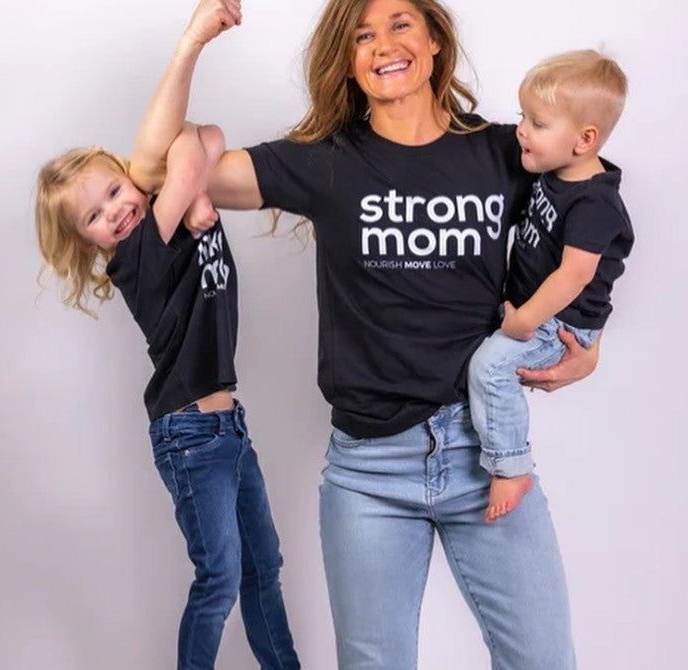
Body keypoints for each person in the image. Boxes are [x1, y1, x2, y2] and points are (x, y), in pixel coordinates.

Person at [146, 0, 602, 668]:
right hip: (369, 474)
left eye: (399, 24)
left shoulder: (507, 152)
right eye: (362, 36)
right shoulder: (326, 162)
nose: (383, 44)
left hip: (487, 456)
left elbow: (593, 214)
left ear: (434, 39)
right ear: (348, 63)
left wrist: (589, 346)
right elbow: (156, 172)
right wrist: (190, 43)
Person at [34, 4, 300, 669]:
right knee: (219, 579)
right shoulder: (137, 255)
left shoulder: (168, 216)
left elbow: (204, 135)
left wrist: (192, 192)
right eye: (94, 216)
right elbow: (184, 156)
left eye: (115, 191)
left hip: (227, 427)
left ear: (131, 177)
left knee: (262, 569)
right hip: (189, 434)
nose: (115, 211)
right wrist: (183, 187)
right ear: (89, 242)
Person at [467, 49, 634, 523]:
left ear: (585, 140)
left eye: (537, 123)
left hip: (559, 322)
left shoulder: (594, 202)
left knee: (489, 368)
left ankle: (511, 467)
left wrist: (524, 319)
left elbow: (574, 275)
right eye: (523, 116)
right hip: (538, 308)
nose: (521, 130)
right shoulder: (555, 172)